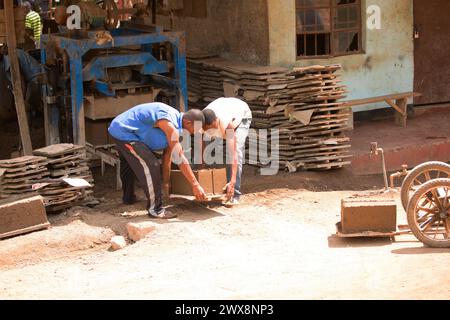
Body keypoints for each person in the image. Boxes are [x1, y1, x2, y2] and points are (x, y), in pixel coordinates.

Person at [108, 102, 208, 219]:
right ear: (188, 122)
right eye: (194, 129)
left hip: (120, 128)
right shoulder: (169, 124)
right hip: (124, 132)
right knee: (151, 165)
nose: (193, 133)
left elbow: (167, 157)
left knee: (129, 163)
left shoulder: (175, 122)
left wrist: (166, 182)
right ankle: (156, 209)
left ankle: (128, 198)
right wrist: (195, 184)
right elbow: (180, 157)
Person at [202, 97, 252, 205]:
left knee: (237, 149)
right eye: (209, 130)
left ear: (216, 120)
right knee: (209, 151)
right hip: (224, 105)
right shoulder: (199, 122)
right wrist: (202, 172)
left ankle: (234, 193)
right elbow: (203, 147)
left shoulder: (227, 124)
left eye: (214, 128)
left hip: (242, 114)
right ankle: (213, 188)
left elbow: (233, 154)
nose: (213, 131)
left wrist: (232, 180)